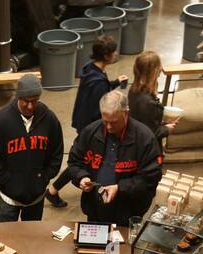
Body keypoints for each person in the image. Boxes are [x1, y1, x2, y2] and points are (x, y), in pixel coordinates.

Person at [45, 35, 128, 208]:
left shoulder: (90, 69)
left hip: (82, 122)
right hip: (89, 128)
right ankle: (52, 190)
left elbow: (99, 92)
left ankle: (53, 190)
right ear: (107, 55)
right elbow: (97, 107)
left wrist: (113, 83)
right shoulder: (97, 81)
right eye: (114, 51)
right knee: (82, 162)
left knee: (81, 161)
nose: (116, 53)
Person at [66, 89, 163, 225]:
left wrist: (119, 188)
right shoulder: (90, 132)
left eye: (114, 122)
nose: (109, 127)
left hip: (128, 212)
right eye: (105, 121)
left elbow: (151, 178)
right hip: (95, 209)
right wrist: (82, 177)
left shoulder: (145, 139)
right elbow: (74, 161)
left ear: (126, 113)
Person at [0, 73, 64, 223]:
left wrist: (45, 178)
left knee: (31, 239)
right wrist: (7, 180)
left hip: (36, 197)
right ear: (17, 98)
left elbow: (57, 152)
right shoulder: (1, 120)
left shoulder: (49, 119)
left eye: (35, 101)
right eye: (25, 101)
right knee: (6, 238)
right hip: (9, 198)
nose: (30, 106)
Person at [126, 51, 178, 142]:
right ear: (154, 71)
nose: (161, 69)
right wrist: (167, 129)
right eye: (159, 67)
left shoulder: (134, 89)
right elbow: (150, 133)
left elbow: (144, 120)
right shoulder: (147, 102)